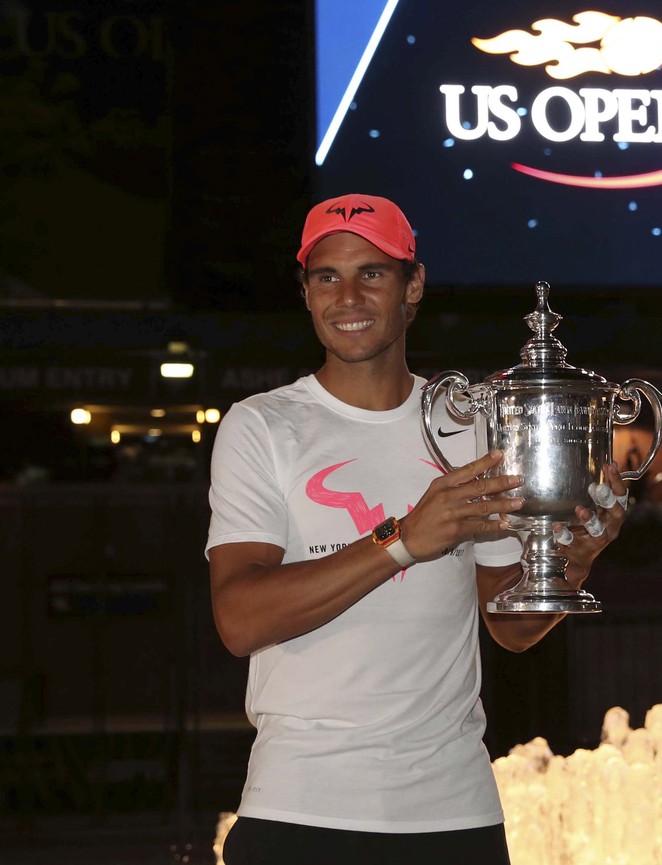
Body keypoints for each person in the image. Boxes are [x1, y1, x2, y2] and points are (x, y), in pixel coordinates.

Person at [205, 193, 629, 864]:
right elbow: (239, 617)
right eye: (326, 276)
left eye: (372, 272)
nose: (348, 295)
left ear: (413, 285)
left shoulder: (467, 423)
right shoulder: (262, 425)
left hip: (453, 812)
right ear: (307, 294)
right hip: (302, 806)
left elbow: (508, 625)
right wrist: (401, 538)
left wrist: (572, 562)